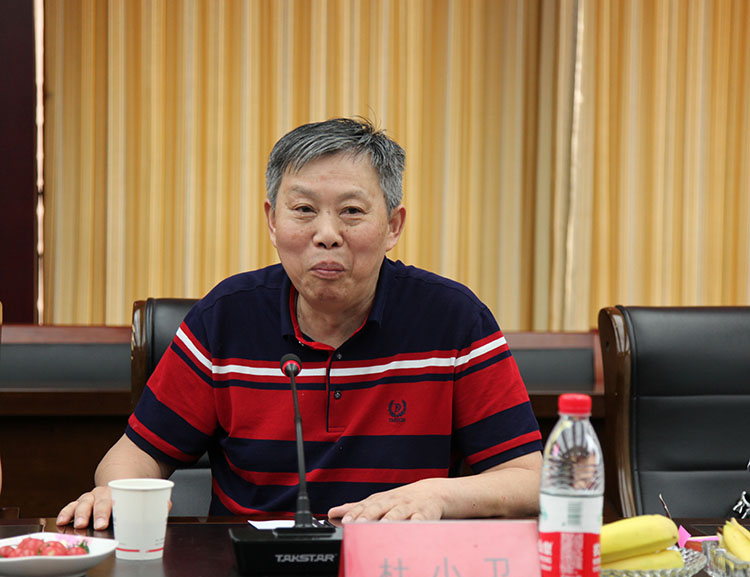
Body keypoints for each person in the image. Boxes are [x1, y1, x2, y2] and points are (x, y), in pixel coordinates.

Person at [57, 117, 542, 530]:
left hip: (395, 570)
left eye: (351, 212)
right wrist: (117, 491)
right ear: (273, 221)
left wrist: (434, 494)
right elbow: (135, 453)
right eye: (304, 210)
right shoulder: (225, 317)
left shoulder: (453, 319)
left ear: (393, 226)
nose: (327, 234)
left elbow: (529, 479)